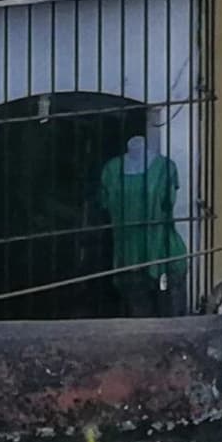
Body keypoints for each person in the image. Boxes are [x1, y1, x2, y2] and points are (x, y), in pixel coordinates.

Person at [95, 128, 184, 314]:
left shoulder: (165, 168)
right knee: (137, 313)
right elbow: (104, 203)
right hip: (127, 250)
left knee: (170, 313)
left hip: (162, 247)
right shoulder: (112, 170)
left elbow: (168, 202)